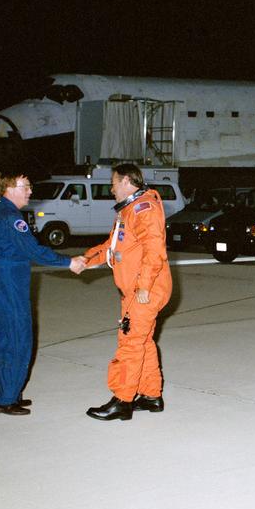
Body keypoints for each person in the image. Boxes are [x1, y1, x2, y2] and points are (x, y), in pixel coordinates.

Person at [0, 173, 85, 415]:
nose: (30, 191)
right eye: (26, 187)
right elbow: (33, 251)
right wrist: (68, 262)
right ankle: (6, 399)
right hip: (10, 284)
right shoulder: (10, 216)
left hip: (3, 281)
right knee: (18, 340)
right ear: (9, 188)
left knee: (6, 339)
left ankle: (9, 392)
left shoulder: (1, 212)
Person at [81, 162, 173, 422]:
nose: (111, 188)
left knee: (130, 344)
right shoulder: (129, 210)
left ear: (125, 181)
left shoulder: (144, 208)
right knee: (142, 342)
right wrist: (83, 260)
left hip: (145, 290)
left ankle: (122, 401)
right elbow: (112, 247)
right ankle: (151, 396)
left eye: (113, 183)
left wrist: (143, 287)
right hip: (135, 289)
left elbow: (155, 251)